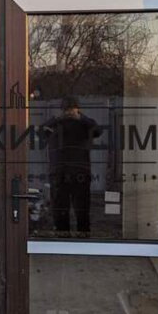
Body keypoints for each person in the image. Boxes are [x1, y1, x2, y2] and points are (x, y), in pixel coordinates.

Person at [42, 97, 102, 235]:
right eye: (67, 110)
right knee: (60, 208)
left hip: (79, 172)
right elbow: (41, 131)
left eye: (72, 109)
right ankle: (62, 235)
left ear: (78, 109)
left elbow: (98, 131)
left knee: (82, 208)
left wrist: (81, 118)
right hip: (59, 171)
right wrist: (57, 119)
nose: (69, 112)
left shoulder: (85, 125)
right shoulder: (55, 124)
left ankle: (83, 235)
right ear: (62, 111)